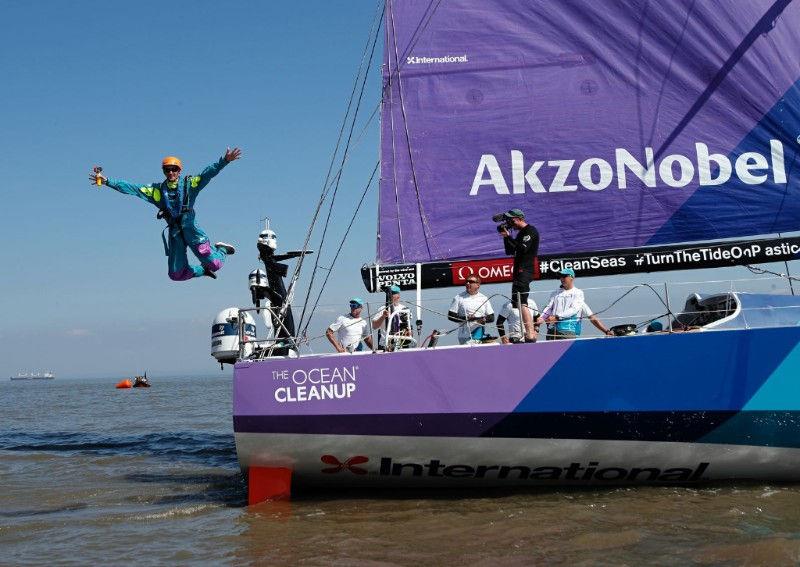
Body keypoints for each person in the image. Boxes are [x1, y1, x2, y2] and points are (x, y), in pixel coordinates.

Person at [89, 148, 242, 281]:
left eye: (173, 169)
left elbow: (207, 174)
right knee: (176, 274)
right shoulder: (157, 190)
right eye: (167, 169)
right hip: (175, 234)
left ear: (179, 170)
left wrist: (224, 161)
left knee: (215, 264)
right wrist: (107, 181)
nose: (170, 172)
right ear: (163, 171)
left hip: (192, 231)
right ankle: (202, 270)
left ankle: (222, 250)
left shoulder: (190, 184)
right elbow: (132, 188)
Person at [498, 208, 539, 342]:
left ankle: (530, 334)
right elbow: (509, 250)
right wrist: (506, 237)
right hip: (517, 272)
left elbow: (522, 248)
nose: (510, 222)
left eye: (511, 220)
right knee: (517, 304)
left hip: (525, 270)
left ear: (519, 218)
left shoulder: (530, 231)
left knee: (522, 303)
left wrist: (509, 237)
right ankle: (528, 333)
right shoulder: (521, 233)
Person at [537, 268, 613, 340]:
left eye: (564, 276)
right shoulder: (555, 293)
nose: (562, 278)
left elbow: (576, 310)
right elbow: (549, 307)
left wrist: (606, 331)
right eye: (561, 276)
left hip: (567, 332)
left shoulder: (578, 293)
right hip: (551, 331)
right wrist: (541, 318)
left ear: (572, 277)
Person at [448, 275, 495, 344]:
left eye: (471, 282)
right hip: (464, 335)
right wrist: (466, 318)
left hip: (479, 334)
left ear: (478, 285)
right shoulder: (458, 297)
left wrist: (482, 319)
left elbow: (491, 317)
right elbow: (451, 316)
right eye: (466, 282)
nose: (467, 283)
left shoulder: (484, 298)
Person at [372, 285, 412, 350]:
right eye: (388, 294)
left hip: (401, 344)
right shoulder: (382, 308)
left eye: (392, 293)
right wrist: (383, 316)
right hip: (385, 345)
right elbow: (374, 326)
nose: (389, 295)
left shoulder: (405, 309)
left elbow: (408, 327)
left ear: (398, 295)